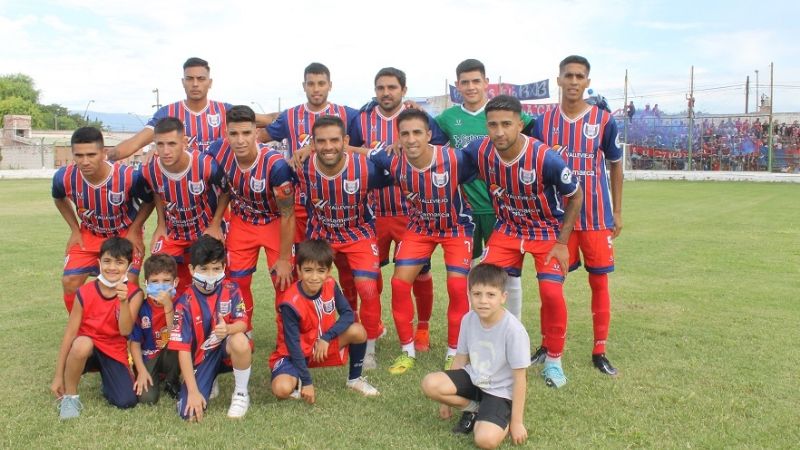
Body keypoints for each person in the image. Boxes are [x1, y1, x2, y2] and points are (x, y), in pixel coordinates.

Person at [463, 95, 583, 388]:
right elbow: (444, 160)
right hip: (508, 228)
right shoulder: (479, 151)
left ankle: (553, 360)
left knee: (551, 293)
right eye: (493, 125)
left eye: (506, 124)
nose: (499, 131)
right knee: (482, 287)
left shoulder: (545, 157)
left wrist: (562, 242)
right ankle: (489, 354)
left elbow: (576, 195)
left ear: (520, 124)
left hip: (546, 231)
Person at [531, 55, 623, 376]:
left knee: (599, 283)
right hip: (557, 222)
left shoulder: (603, 119)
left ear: (587, 81)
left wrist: (618, 212)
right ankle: (547, 345)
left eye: (579, 76)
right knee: (550, 285)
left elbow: (615, 163)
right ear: (558, 80)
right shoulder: (541, 122)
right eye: (568, 75)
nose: (573, 81)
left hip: (597, 218)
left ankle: (599, 350)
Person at [348, 67, 448, 353]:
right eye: (380, 87)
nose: (386, 93)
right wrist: (375, 154)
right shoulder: (362, 118)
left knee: (421, 274)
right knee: (370, 275)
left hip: (411, 211)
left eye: (392, 87)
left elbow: (440, 149)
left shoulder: (417, 117)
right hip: (372, 212)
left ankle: (423, 328)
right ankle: (374, 327)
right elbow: (347, 148)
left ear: (404, 90)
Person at [368, 108, 474, 374]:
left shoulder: (454, 158)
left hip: (456, 229)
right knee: (399, 282)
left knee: (457, 285)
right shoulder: (393, 160)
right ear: (398, 137)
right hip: (420, 228)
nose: (411, 139)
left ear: (429, 135)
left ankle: (454, 352)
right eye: (405, 134)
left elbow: (488, 165)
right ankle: (407, 351)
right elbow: (364, 152)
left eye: (417, 132)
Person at [435, 59, 532, 317]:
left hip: (500, 207)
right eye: (464, 82)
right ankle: (473, 327)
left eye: (476, 81)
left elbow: (536, 135)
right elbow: (424, 138)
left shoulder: (501, 113)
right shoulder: (448, 118)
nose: (471, 87)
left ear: (486, 83)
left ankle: (514, 326)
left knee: (507, 272)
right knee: (468, 270)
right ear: (457, 86)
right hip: (465, 208)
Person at [294, 115, 391, 369]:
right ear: (311, 143)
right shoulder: (300, 167)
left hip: (358, 233)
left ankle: (368, 346)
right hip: (322, 234)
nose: (328, 146)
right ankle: (311, 338)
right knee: (311, 286)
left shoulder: (365, 168)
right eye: (321, 141)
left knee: (367, 288)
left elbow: (395, 169)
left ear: (345, 141)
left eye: (335, 140)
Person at [420, 264, 529, 449]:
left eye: (491, 295)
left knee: (485, 440)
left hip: (499, 391)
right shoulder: (468, 319)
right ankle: (474, 408)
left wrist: (517, 422)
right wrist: (445, 400)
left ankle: (498, 415)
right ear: (469, 295)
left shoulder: (513, 330)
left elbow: (520, 379)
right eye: (477, 294)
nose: (483, 301)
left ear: (503, 297)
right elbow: (461, 358)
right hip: (474, 379)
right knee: (430, 383)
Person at [210, 105, 295, 328]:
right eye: (234, 133)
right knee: (236, 281)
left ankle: (286, 338)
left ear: (256, 133)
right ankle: (242, 331)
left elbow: (287, 213)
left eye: (246, 133)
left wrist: (285, 258)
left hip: (274, 221)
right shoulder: (218, 151)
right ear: (226, 133)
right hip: (242, 220)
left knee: (282, 279)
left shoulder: (276, 165)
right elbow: (225, 187)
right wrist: (216, 222)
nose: (240, 140)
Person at [52, 127, 154, 312]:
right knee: (69, 281)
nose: (85, 161)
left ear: (104, 153)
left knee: (127, 283)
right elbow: (59, 198)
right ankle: (82, 329)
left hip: (124, 234)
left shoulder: (129, 176)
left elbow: (149, 201)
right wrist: (75, 229)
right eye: (79, 155)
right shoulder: (64, 177)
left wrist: (134, 231)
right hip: (89, 234)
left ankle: (129, 333)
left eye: (91, 154)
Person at [269, 239, 379, 402]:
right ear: (298, 270)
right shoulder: (289, 302)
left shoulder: (330, 284)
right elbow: (292, 345)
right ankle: (297, 379)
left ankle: (354, 380)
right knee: (281, 389)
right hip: (294, 354)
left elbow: (348, 314)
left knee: (358, 331)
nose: (314, 277)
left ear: (328, 271)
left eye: (320, 271)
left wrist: (326, 338)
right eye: (308, 270)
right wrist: (307, 382)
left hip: (321, 348)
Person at [264, 62, 360, 243]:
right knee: (304, 260)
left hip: (340, 200)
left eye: (321, 83)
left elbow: (378, 118)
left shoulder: (347, 114)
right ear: (304, 86)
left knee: (343, 261)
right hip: (301, 200)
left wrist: (312, 147)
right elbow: (259, 138)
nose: (316, 89)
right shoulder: (290, 116)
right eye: (311, 84)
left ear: (330, 85)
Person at [109, 57, 274, 160]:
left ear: (209, 83)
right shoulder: (168, 114)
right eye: (190, 79)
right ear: (183, 82)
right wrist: (102, 157)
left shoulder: (225, 111)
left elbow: (271, 119)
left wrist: (298, 115)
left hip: (220, 193)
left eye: (201, 79)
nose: (195, 84)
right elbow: (134, 143)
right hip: (184, 193)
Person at [51, 237, 141, 420]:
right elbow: (70, 334)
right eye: (107, 261)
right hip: (88, 348)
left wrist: (123, 301)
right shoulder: (84, 292)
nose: (112, 268)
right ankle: (71, 397)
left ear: (129, 266)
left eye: (120, 262)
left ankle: (108, 380)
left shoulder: (135, 293)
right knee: (81, 344)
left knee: (126, 401)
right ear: (99, 262)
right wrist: (58, 375)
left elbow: (125, 331)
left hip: (114, 350)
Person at [141, 117, 230, 294]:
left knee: (210, 280)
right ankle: (167, 319)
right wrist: (160, 224)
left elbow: (226, 191)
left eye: (172, 144)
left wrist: (215, 224)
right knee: (160, 276)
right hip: (173, 232)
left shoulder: (205, 164)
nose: (166, 151)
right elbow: (157, 192)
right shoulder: (149, 169)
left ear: (185, 142)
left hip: (204, 229)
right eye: (160, 144)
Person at [168, 235, 253, 420]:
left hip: (224, 349)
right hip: (202, 359)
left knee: (240, 339)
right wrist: (192, 392)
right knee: (189, 414)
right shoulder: (183, 304)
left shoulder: (232, 289)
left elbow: (243, 322)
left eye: (216, 269)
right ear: (191, 269)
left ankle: (240, 394)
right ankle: (209, 378)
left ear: (224, 268)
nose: (210, 275)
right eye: (204, 269)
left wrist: (228, 330)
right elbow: (182, 350)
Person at [130, 254, 180, 405]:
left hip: (171, 353)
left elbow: (176, 337)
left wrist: (168, 307)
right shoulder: (141, 308)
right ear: (146, 283)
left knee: (179, 346)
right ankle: (153, 376)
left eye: (166, 281)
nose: (160, 286)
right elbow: (135, 343)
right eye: (154, 281)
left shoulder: (181, 303)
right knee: (147, 399)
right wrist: (141, 370)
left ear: (175, 282)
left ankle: (172, 380)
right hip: (148, 356)